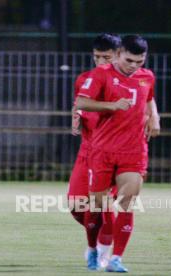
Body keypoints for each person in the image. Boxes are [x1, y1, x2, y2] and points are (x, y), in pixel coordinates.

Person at [76, 35, 160, 272]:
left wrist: (155, 116)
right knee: (98, 207)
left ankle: (116, 259)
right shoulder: (101, 74)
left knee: (126, 203)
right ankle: (93, 249)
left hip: (134, 151)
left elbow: (149, 99)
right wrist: (111, 106)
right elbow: (82, 102)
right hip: (102, 150)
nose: (134, 65)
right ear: (119, 53)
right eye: (130, 60)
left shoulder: (147, 76)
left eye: (140, 61)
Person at [68, 33, 121, 270]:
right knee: (77, 207)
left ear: (118, 56)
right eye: (97, 57)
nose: (100, 62)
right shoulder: (84, 79)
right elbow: (80, 105)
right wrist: (77, 116)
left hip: (111, 153)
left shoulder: (125, 82)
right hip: (87, 150)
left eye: (106, 58)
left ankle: (103, 252)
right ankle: (101, 237)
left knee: (102, 206)